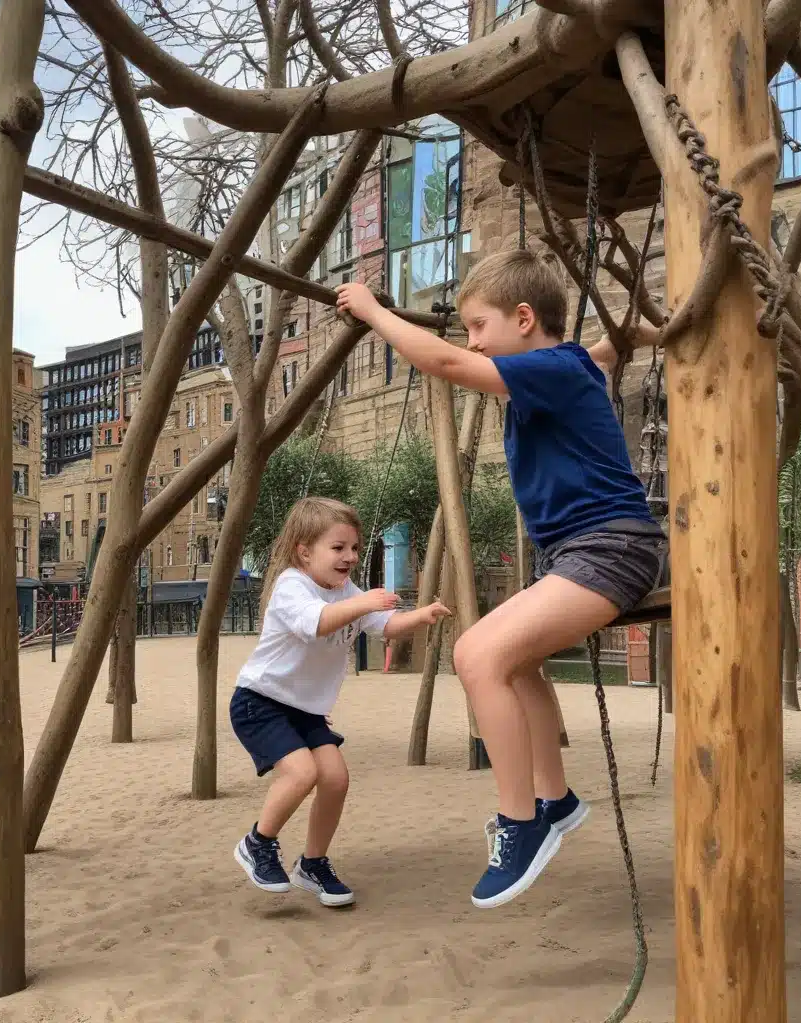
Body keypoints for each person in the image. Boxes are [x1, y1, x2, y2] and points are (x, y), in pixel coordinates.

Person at [336, 249, 664, 909]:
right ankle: (556, 798)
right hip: (577, 551)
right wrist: (628, 336)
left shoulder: (548, 367)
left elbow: (446, 363)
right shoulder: (565, 366)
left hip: (610, 547)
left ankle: (522, 824)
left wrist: (371, 310)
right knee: (516, 668)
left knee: (476, 653)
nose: (474, 341)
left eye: (480, 326)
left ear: (522, 318)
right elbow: (592, 356)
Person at [231, 496, 450, 907]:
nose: (349, 556)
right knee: (301, 773)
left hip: (306, 710)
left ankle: (312, 864)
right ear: (304, 551)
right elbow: (317, 624)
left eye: (353, 548)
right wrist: (363, 602)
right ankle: (257, 843)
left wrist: (420, 617)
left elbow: (386, 626)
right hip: (260, 702)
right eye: (338, 548)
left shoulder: (346, 590)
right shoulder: (291, 585)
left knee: (335, 778)